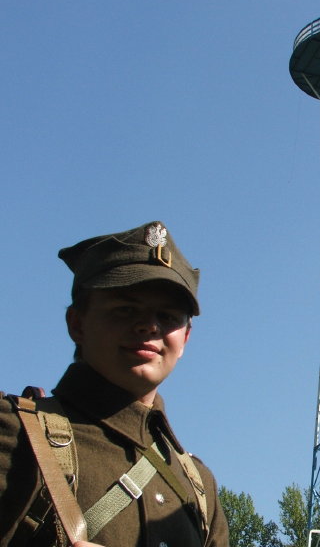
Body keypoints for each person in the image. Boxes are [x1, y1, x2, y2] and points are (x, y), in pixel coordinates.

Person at [0, 221, 229, 547]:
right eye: (126, 309)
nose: (149, 326)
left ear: (186, 339)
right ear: (77, 324)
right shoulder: (16, 434)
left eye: (167, 316)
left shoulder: (199, 486)